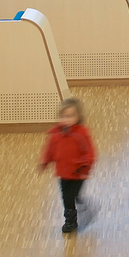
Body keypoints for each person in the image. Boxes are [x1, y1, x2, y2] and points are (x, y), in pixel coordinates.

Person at [39, 97, 96, 234]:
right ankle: (70, 221)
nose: (66, 119)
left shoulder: (81, 133)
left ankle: (83, 207)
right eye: (63, 116)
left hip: (78, 173)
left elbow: (90, 152)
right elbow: (50, 149)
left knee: (73, 195)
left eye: (70, 116)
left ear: (78, 116)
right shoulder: (55, 134)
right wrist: (45, 161)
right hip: (63, 172)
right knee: (66, 197)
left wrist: (85, 165)